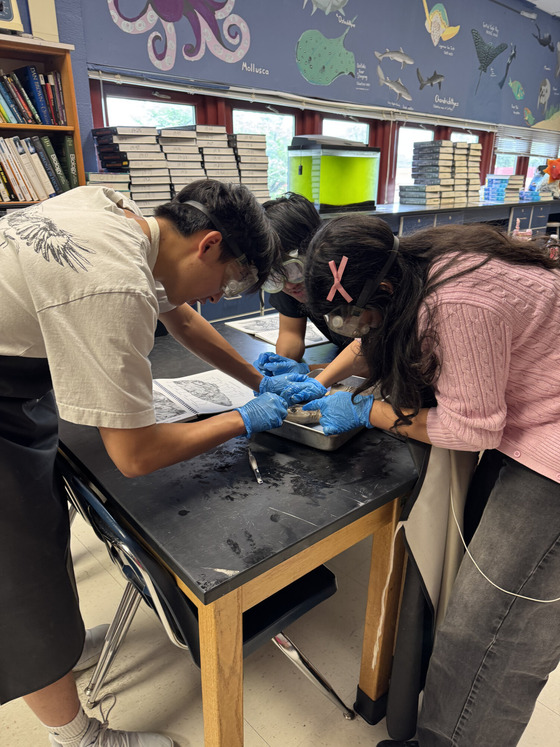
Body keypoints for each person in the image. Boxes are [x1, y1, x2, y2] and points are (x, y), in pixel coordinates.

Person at [0, 179, 312, 747]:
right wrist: (245, 418)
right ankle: (75, 736)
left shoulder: (117, 215)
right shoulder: (113, 285)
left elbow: (186, 319)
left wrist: (261, 381)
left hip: (11, 381)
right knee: (16, 575)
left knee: (41, 530)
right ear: (210, 244)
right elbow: (136, 455)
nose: (221, 296)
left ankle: (59, 648)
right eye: (230, 280)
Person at [287, 214, 560, 747]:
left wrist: (372, 413)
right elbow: (380, 331)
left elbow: (470, 428)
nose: (353, 327)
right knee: (466, 605)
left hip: (550, 445)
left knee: (489, 635)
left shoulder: (454, 302)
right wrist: (315, 386)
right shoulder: (413, 265)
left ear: (385, 288)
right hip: (532, 420)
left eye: (354, 316)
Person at [255, 193, 352, 378]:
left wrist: (308, 371)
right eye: (275, 275)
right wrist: (282, 365)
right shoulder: (285, 279)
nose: (290, 285)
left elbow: (374, 359)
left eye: (294, 269)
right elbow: (291, 333)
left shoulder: (349, 273)